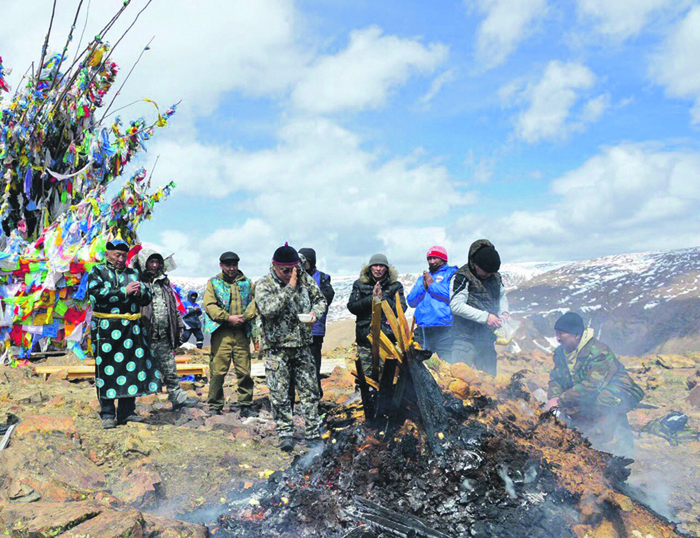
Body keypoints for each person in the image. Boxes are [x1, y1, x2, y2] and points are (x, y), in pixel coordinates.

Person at [255, 243, 327, 453]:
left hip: (303, 345)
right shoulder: (264, 284)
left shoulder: (305, 279)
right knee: (279, 393)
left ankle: (313, 432)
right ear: (275, 267)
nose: (290, 274)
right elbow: (268, 310)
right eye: (285, 270)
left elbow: (320, 300)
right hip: (277, 348)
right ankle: (285, 432)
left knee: (309, 391)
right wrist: (289, 288)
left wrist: (315, 314)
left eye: (293, 269)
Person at [545, 312, 644, 456]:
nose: (558, 338)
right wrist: (552, 400)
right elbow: (556, 378)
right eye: (556, 333)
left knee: (606, 400)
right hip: (587, 392)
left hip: (618, 390)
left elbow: (592, 386)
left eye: (561, 334)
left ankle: (624, 450)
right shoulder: (561, 353)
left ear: (576, 335)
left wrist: (560, 400)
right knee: (577, 413)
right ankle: (589, 442)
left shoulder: (599, 352)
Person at [87, 238, 161, 429]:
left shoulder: (133, 273)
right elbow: (95, 293)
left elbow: (146, 297)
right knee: (107, 370)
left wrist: (139, 294)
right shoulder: (97, 271)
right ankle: (108, 414)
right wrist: (123, 292)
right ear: (107, 254)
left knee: (131, 369)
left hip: (131, 329)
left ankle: (127, 412)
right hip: (106, 329)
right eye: (117, 255)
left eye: (123, 255)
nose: (120, 259)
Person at [133, 249, 198, 412]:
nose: (154, 265)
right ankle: (128, 407)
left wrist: (180, 325)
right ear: (143, 262)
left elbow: (173, 306)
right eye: (151, 262)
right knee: (136, 367)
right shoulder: (136, 281)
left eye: (157, 262)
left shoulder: (164, 282)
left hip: (163, 334)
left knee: (169, 368)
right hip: (142, 335)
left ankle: (178, 398)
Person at [203, 251, 256, 416]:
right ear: (221, 265)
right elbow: (210, 305)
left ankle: (246, 404)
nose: (231, 268)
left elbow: (256, 302)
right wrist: (227, 318)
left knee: (244, 370)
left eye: (234, 265)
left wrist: (245, 317)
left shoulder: (247, 283)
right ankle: (215, 405)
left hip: (241, 331)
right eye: (228, 265)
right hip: (222, 331)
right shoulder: (214, 283)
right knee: (218, 370)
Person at [449, 239, 509, 375]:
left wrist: (504, 311)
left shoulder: (495, 276)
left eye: (492, 272)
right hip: (464, 339)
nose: (489, 275)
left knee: (489, 383)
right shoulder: (462, 276)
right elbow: (456, 306)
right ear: (475, 263)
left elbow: (502, 296)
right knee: (460, 381)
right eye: (486, 271)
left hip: (487, 340)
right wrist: (485, 317)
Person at [347, 253, 407, 380]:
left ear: (387, 269)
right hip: (365, 336)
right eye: (375, 266)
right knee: (364, 375)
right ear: (370, 268)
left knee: (387, 376)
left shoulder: (395, 286)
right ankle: (363, 398)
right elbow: (352, 306)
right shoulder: (359, 284)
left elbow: (401, 309)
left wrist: (382, 299)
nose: (378, 269)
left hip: (387, 338)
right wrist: (371, 299)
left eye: (381, 266)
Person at [407, 246, 457, 361]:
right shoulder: (422, 278)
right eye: (429, 258)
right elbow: (411, 301)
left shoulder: (452, 274)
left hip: (444, 327)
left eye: (435, 258)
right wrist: (423, 287)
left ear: (443, 259)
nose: (432, 261)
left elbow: (453, 295)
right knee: (421, 364)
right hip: (423, 328)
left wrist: (432, 285)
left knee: (446, 363)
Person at [297, 247, 335, 399]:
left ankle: (316, 399)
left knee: (313, 367)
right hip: (296, 332)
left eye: (306, 261)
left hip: (315, 330)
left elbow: (327, 298)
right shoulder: (293, 277)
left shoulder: (323, 278)